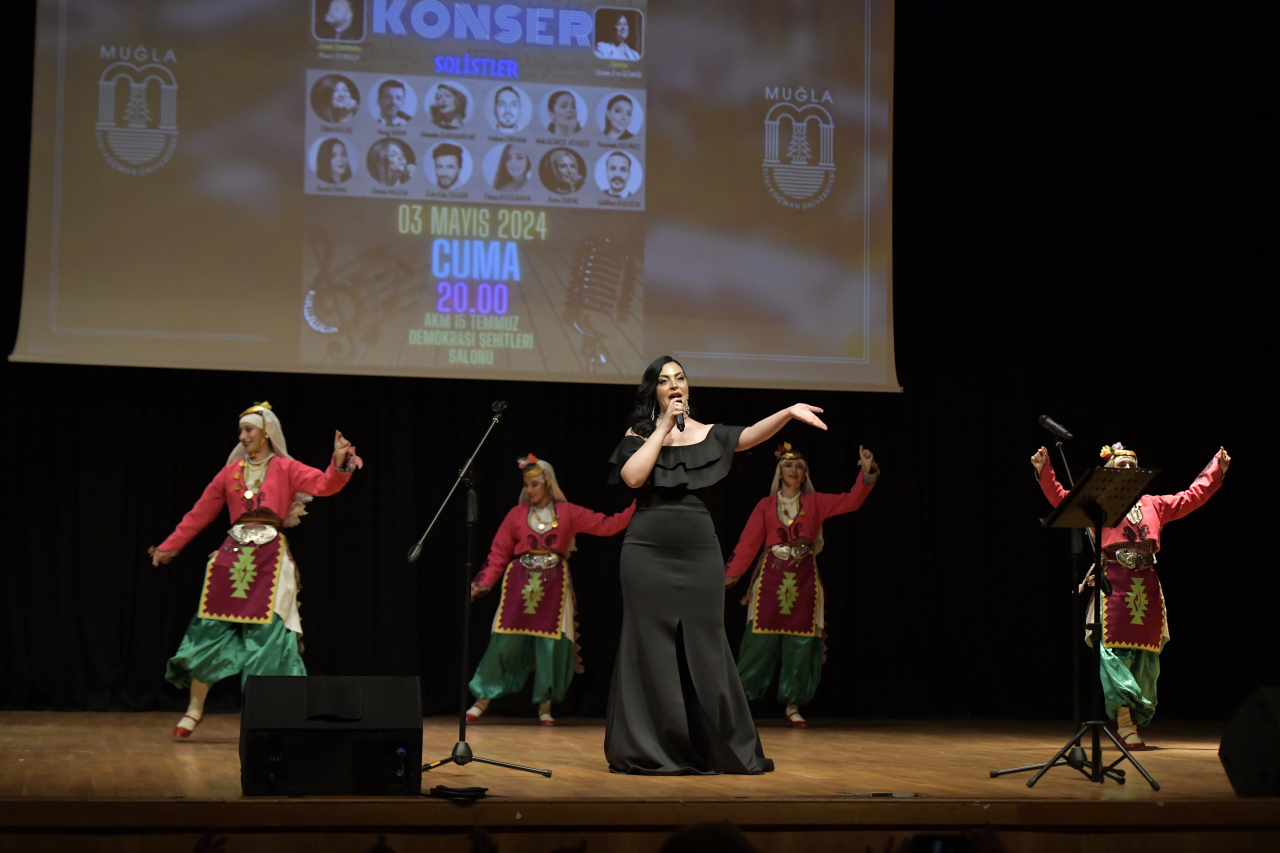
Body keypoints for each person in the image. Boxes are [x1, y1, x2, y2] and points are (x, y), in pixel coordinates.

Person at [604, 355, 829, 775]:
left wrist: (787, 412)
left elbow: (748, 436)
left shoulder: (709, 433)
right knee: (649, 647)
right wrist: (662, 429)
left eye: (681, 378)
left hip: (698, 552)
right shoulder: (640, 434)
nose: (675, 385)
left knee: (707, 645)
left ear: (688, 389)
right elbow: (634, 478)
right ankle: (654, 748)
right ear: (655, 391)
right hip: (646, 551)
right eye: (665, 380)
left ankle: (716, 745)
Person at [149, 403, 360, 738]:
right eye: (241, 431)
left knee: (269, 638)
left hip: (271, 562)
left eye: (248, 430)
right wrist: (169, 546)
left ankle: (265, 715)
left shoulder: (286, 468)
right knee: (209, 629)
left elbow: (323, 485)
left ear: (265, 434)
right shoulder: (229, 473)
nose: (243, 437)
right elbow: (200, 512)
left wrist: (337, 463)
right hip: (232, 559)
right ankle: (194, 709)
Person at [1033, 441, 1229, 749]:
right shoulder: (1098, 504)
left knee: (1145, 657)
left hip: (1146, 585)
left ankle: (1133, 720)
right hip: (1114, 582)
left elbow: (1191, 497)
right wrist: (1046, 471)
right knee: (1112, 654)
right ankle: (1125, 724)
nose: (1128, 470)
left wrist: (1215, 469)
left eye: (1132, 467)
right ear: (1108, 471)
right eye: (1121, 466)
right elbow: (1062, 498)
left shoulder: (1154, 504)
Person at [466, 456, 635, 726]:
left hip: (555, 585)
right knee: (503, 643)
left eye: (535, 485)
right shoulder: (516, 515)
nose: (529, 490)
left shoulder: (568, 513)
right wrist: (484, 581)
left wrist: (638, 505)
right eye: (527, 485)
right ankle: (481, 701)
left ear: (547, 483)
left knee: (551, 646)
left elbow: (606, 525)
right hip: (519, 584)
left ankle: (545, 706)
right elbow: (498, 552)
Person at [724, 443, 878, 728]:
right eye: (788, 466)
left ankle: (793, 704)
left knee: (802, 645)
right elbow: (748, 544)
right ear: (779, 472)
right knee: (758, 644)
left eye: (798, 466)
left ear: (805, 472)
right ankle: (741, 702)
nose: (793, 470)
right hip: (770, 581)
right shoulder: (766, 506)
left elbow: (850, 501)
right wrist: (729, 576)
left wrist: (866, 472)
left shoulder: (815, 502)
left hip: (805, 582)